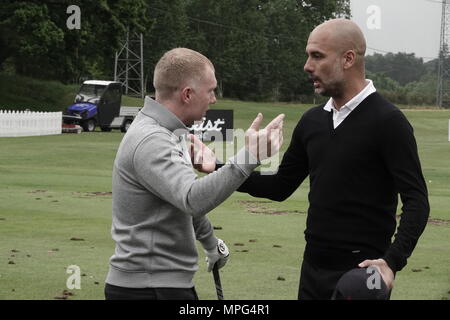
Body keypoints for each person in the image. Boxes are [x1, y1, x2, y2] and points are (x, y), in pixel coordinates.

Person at [199, 19, 430, 300]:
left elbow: (417, 201)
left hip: (362, 277)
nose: (307, 65)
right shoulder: (312, 121)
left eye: (317, 56)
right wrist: (219, 167)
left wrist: (392, 263)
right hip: (312, 269)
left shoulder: (388, 121)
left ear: (348, 59)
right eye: (308, 55)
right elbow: (280, 186)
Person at [104, 47, 284, 300]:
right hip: (148, 288)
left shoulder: (170, 133)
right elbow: (191, 199)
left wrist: (211, 244)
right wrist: (250, 156)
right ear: (187, 94)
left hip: (162, 284)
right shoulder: (152, 139)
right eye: (210, 91)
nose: (214, 99)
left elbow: (180, 202)